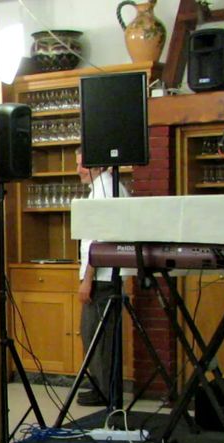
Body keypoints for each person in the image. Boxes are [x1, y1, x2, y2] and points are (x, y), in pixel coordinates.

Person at [76, 149, 131, 407]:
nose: (78, 171)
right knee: (92, 334)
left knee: (99, 336)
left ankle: (106, 390)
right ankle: (101, 385)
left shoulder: (104, 190)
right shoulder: (105, 186)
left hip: (102, 276)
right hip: (104, 274)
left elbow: (100, 240)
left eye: (82, 166)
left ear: (96, 166)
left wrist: (87, 279)